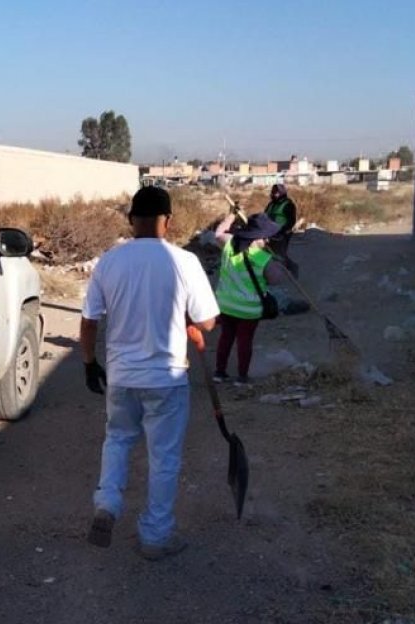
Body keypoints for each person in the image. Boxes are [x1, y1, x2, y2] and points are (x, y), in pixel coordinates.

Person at [79, 186, 219, 560]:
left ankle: (107, 502)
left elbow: (89, 321)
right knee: (164, 459)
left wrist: (89, 362)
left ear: (131, 220)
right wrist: (185, 318)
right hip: (166, 378)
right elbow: (208, 321)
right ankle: (155, 536)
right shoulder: (184, 261)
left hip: (122, 377)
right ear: (167, 221)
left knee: (117, 439)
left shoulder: (109, 262)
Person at [211, 212, 289, 385]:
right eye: (265, 237)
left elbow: (218, 233)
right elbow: (276, 280)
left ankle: (219, 373)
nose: (267, 241)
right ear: (257, 237)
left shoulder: (229, 243)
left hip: (226, 304)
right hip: (249, 309)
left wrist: (231, 216)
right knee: (244, 341)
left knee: (225, 338)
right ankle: (241, 377)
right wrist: (279, 263)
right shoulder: (263, 258)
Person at [263, 183, 300, 276]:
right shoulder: (271, 204)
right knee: (269, 255)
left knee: (280, 256)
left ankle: (289, 272)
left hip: (282, 235)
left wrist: (282, 231)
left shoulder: (288, 205)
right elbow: (264, 216)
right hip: (269, 234)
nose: (273, 194)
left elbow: (291, 221)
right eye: (273, 192)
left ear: (281, 193)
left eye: (276, 193)